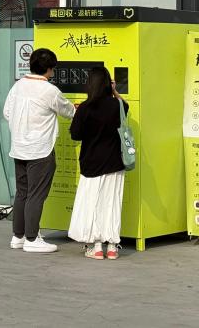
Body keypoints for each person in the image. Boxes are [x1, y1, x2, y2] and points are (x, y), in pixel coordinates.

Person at [2, 47, 75, 254]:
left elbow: (7, 112)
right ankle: (32, 239)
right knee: (36, 195)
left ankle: (18, 236)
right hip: (41, 150)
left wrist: (22, 127)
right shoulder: (50, 90)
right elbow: (69, 111)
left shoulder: (17, 86)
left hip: (18, 148)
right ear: (50, 69)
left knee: (22, 193)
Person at [68, 65, 129, 260]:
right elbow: (125, 106)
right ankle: (112, 247)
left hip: (92, 163)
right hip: (115, 162)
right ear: (108, 84)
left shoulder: (85, 108)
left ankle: (96, 248)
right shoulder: (117, 105)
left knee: (93, 204)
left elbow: (75, 135)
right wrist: (114, 92)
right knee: (112, 204)